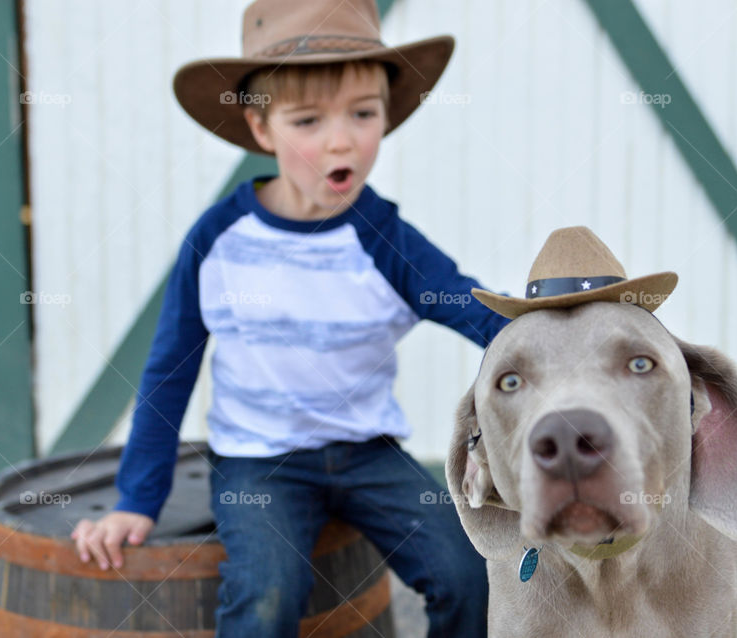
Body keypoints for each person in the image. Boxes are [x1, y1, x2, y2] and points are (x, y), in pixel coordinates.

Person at [71, 0, 507, 636]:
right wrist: (138, 499)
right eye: (309, 120)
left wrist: (560, 331)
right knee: (268, 594)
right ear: (262, 129)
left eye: (363, 113)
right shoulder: (221, 239)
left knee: (468, 572)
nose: (342, 140)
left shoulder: (386, 241)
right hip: (259, 460)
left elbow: (478, 313)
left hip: (368, 454)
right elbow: (170, 369)